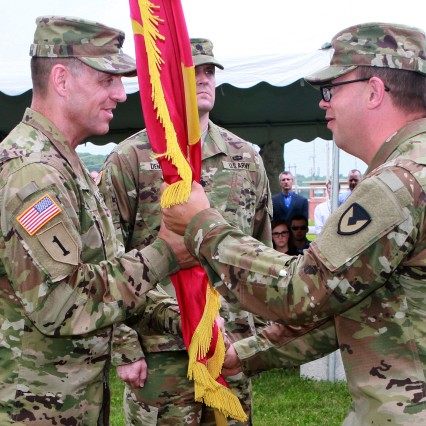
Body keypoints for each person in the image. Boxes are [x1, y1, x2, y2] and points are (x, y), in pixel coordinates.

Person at [160, 22, 426, 424]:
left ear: (374, 91)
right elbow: (355, 305)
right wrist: (250, 354)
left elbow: (299, 291)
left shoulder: (400, 184)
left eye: (331, 90)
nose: (324, 104)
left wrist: (202, 225)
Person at [0, 16, 185, 425]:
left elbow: (100, 275)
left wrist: (180, 315)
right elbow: (63, 303)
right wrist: (165, 252)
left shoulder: (61, 163)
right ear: (61, 80)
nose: (121, 93)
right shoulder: (31, 173)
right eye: (107, 80)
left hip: (58, 406)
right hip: (19, 411)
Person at [99, 37, 271, 425]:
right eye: (195, 72)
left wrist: (261, 339)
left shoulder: (245, 157)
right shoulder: (132, 159)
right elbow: (108, 260)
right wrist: (125, 348)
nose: (205, 80)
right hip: (161, 351)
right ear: (170, 81)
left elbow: (259, 249)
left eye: (210, 71)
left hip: (230, 346)